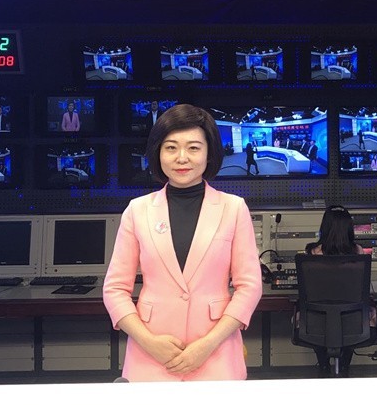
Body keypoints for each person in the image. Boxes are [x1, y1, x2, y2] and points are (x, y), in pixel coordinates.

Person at [103, 104, 262, 382]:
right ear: (158, 152)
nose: (181, 158)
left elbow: (249, 287)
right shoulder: (137, 210)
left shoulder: (234, 208)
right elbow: (115, 289)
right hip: (151, 355)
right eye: (171, 148)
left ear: (209, 153)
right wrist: (149, 342)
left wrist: (207, 345)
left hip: (215, 354)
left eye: (193, 148)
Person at [303, 205, 377, 375]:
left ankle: (323, 367)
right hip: (353, 321)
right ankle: (344, 367)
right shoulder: (358, 251)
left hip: (316, 322)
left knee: (315, 319)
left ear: (324, 227)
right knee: (361, 316)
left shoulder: (311, 252)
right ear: (349, 228)